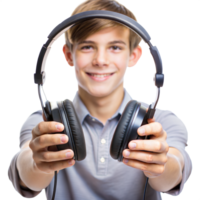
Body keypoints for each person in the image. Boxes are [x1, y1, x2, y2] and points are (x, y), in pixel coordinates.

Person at [6, 0, 193, 199]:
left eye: (115, 47)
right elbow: (26, 172)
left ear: (135, 55)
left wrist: (161, 165)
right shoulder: (46, 121)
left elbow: (174, 171)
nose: (100, 60)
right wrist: (37, 164)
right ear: (68, 55)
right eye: (87, 47)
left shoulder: (162, 122)